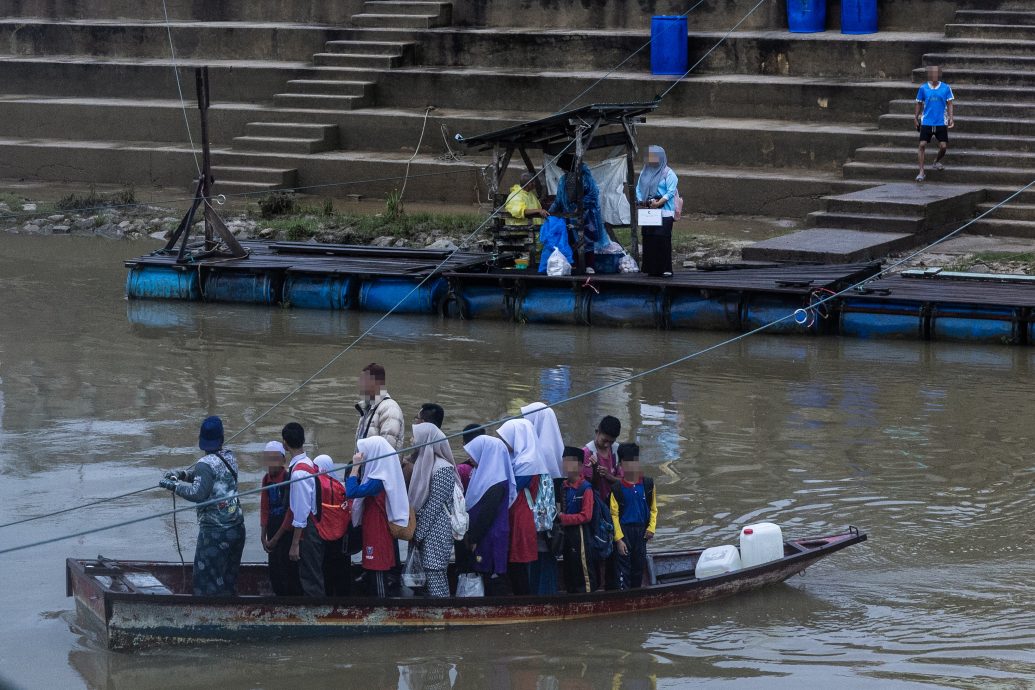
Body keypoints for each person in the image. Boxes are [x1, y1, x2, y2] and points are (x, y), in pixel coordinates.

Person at [158, 416, 245, 596]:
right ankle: (230, 615)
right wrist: (182, 474)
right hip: (236, 529)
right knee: (228, 580)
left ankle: (211, 620)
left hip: (215, 533)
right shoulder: (230, 457)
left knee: (207, 582)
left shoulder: (204, 464)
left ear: (201, 440)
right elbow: (208, 478)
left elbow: (198, 493)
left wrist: (173, 486)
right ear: (221, 438)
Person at [346, 435, 410, 597]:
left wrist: (355, 468)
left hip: (378, 531)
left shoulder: (379, 480)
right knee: (374, 570)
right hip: (374, 528)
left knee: (378, 570)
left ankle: (382, 609)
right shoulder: (381, 476)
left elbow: (352, 492)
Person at [496, 418, 550, 595]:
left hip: (521, 515)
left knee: (517, 561)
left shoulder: (528, 461)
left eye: (506, 439)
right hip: (515, 513)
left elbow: (511, 488)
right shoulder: (517, 458)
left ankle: (523, 600)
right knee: (512, 561)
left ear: (517, 438)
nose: (503, 444)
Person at [461, 433, 516, 596]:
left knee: (493, 574)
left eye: (475, 453)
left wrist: (473, 539)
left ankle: (502, 608)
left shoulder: (496, 482)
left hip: (491, 535)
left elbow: (487, 514)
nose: (470, 458)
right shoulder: (482, 475)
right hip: (485, 534)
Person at [409, 422, 459, 598]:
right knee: (424, 577)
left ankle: (443, 616)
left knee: (434, 573)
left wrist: (418, 534)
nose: (412, 439)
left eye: (415, 436)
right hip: (424, 530)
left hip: (436, 531)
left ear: (427, 439)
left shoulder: (443, 468)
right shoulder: (423, 463)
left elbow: (434, 505)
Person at [279, 422, 325, 597]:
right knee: (312, 572)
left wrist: (295, 544)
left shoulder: (299, 473)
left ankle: (316, 617)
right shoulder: (310, 463)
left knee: (310, 577)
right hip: (315, 525)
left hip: (308, 531)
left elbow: (301, 511)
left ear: (285, 443)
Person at [583, 415, 623, 589]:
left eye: (611, 442)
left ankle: (613, 586)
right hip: (596, 509)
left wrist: (608, 476)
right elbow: (586, 487)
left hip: (614, 507)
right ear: (596, 432)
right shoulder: (586, 452)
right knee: (596, 546)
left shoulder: (617, 451)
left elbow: (625, 482)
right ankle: (595, 585)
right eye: (604, 440)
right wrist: (595, 471)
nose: (607, 445)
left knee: (615, 547)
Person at [609, 444, 657, 591]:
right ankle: (624, 596)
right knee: (624, 568)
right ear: (621, 464)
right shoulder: (616, 489)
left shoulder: (648, 484)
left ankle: (636, 595)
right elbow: (614, 515)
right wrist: (619, 539)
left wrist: (651, 528)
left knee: (638, 565)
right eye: (627, 463)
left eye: (634, 462)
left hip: (641, 533)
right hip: (625, 532)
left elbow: (653, 509)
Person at [550, 155, 610, 269]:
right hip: (569, 214)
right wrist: (550, 212)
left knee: (587, 239)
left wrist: (581, 205)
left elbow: (593, 194)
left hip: (586, 215)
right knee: (571, 239)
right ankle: (576, 265)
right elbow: (559, 199)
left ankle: (589, 266)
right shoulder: (563, 180)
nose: (562, 170)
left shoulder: (585, 178)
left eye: (564, 168)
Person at [259, 440, 300, 596]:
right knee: (274, 570)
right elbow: (264, 508)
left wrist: (276, 538)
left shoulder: (289, 478)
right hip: (272, 528)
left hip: (286, 531)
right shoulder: (266, 479)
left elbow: (291, 511)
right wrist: (263, 535)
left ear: (283, 460)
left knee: (289, 570)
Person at [558, 446, 598, 594]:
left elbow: (587, 516)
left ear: (580, 466)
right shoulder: (563, 486)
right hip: (567, 533)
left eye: (571, 462)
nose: (567, 465)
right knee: (569, 565)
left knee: (583, 566)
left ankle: (587, 596)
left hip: (580, 534)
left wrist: (564, 518)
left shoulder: (586, 488)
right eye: (565, 461)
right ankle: (571, 595)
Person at [635, 145, 679, 277]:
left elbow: (671, 191)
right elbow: (639, 188)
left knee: (663, 238)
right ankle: (651, 268)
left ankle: (665, 268)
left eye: (654, 156)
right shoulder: (645, 172)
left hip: (664, 210)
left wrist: (659, 202)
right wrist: (642, 200)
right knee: (649, 238)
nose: (651, 159)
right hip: (649, 210)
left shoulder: (669, 173)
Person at [314, 454, 351, 597]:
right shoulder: (340, 487)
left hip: (323, 538)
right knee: (342, 571)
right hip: (342, 538)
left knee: (326, 570)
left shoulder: (316, 485)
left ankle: (328, 599)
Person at [914, 65, 955, 183]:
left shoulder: (946, 88)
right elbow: (918, 103)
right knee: (922, 145)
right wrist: (915, 117)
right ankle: (921, 171)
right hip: (927, 121)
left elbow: (950, 103)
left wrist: (951, 118)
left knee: (943, 146)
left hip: (940, 121)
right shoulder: (923, 88)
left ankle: (936, 161)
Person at [355, 363, 405, 451]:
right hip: (365, 464)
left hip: (379, 465)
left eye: (364, 380)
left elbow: (386, 450)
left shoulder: (390, 408)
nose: (360, 383)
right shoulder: (367, 408)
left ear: (377, 383)